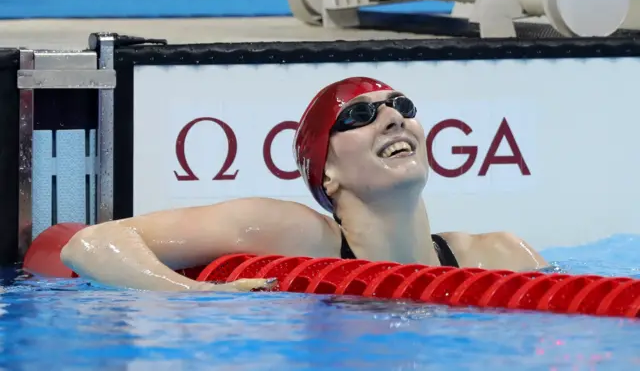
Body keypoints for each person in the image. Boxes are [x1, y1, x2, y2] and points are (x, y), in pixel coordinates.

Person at [60, 77, 548, 292]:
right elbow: (92, 244)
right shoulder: (296, 235)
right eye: (360, 115)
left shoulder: (503, 256)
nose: (394, 118)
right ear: (326, 174)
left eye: (403, 106)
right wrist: (190, 296)